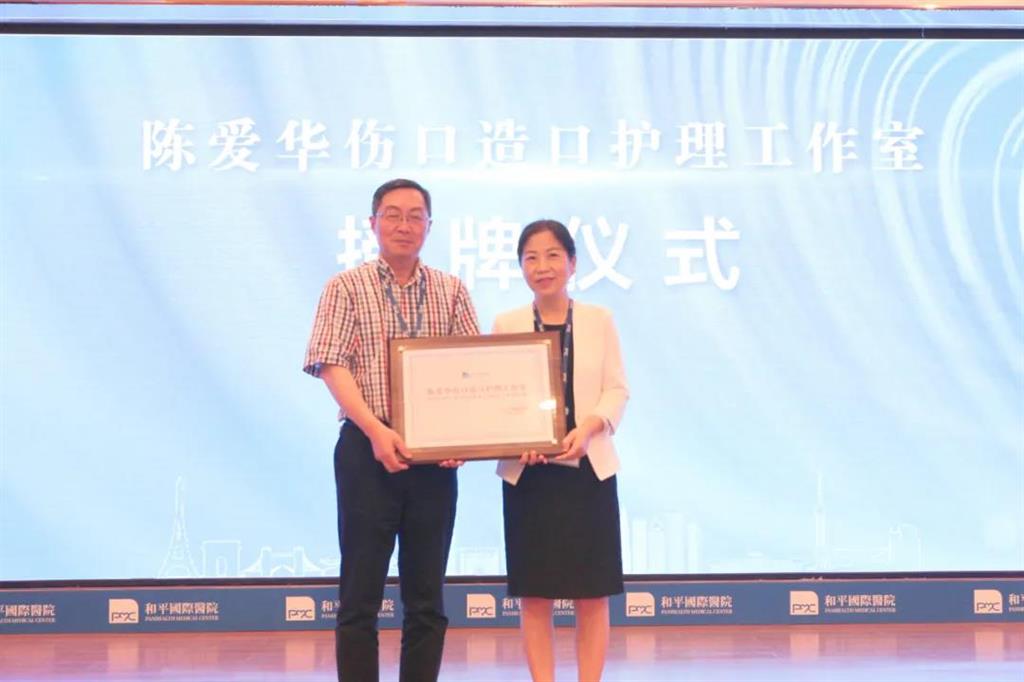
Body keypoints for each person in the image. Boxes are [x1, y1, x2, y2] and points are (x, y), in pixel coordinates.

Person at [303, 178, 480, 682]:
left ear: (429, 225)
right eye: (393, 214)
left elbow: (472, 368)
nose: (405, 225)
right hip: (367, 450)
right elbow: (331, 364)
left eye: (415, 215)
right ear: (373, 222)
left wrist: (461, 439)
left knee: (427, 599)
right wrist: (376, 431)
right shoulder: (345, 286)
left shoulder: (451, 289)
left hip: (434, 458)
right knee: (359, 597)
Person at [493, 219, 629, 682]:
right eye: (531, 257)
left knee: (592, 594)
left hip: (589, 471)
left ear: (572, 263)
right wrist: (517, 437)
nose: (542, 266)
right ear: (521, 267)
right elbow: (499, 397)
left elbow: (617, 389)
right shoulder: (507, 323)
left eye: (553, 255)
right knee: (535, 594)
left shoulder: (598, 320)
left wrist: (589, 427)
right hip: (528, 476)